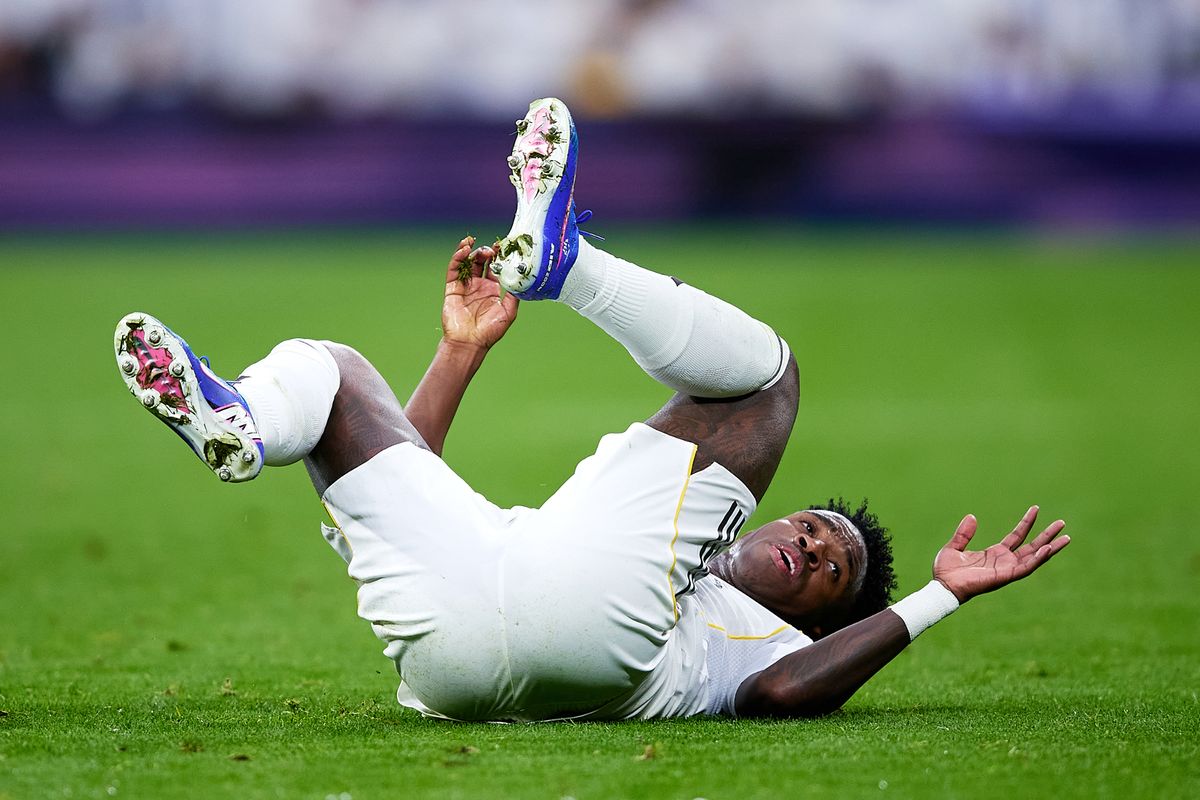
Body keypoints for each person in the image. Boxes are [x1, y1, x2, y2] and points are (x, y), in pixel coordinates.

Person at [113, 98, 1070, 722]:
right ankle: (244, 425)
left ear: (827, 621)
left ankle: (568, 262)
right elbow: (405, 483)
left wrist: (936, 598)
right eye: (816, 530)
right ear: (771, 517)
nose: (813, 550)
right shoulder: (647, 550)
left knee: (768, 384)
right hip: (451, 650)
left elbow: (784, 693)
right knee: (334, 373)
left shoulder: (766, 642)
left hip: (593, 633)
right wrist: (459, 352)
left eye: (832, 572)